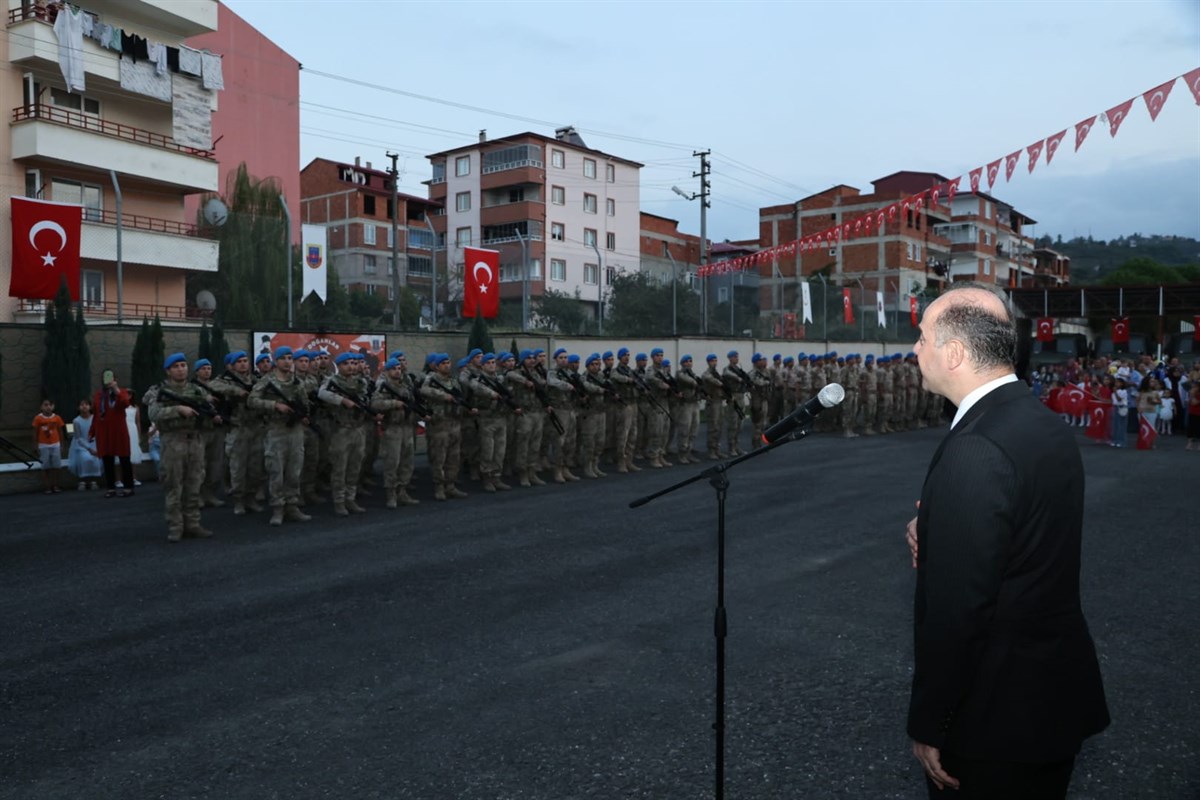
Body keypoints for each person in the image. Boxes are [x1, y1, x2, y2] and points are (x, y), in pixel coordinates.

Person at [905, 284, 1108, 798]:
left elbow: (960, 610)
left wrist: (931, 720)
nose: (914, 349)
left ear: (953, 353)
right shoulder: (1038, 421)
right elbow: (1028, 534)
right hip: (1048, 695)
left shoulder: (977, 445)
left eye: (922, 337)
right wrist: (940, 529)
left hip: (995, 720)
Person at [146, 353, 213, 542]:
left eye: (183, 365)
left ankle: (193, 523)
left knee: (194, 484)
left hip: (195, 440)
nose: (181, 369)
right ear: (168, 371)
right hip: (173, 441)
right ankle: (176, 526)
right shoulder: (159, 391)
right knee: (174, 485)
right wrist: (177, 410)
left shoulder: (196, 390)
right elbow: (153, 413)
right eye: (176, 366)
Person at [247, 346, 313, 527]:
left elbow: (304, 402)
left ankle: (292, 506)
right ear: (276, 360)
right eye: (283, 358)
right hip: (276, 430)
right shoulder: (267, 381)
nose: (287, 361)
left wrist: (304, 414)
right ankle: (277, 508)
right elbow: (251, 401)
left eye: (290, 358)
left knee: (294, 470)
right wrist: (274, 405)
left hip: (295, 430)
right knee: (276, 471)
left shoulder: (296, 381)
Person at [90, 369, 134, 497]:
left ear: (115, 379)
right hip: (104, 431)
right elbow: (96, 414)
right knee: (107, 460)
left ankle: (128, 487)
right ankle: (111, 488)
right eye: (106, 377)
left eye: (111, 377)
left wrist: (116, 390)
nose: (108, 380)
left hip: (119, 431)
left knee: (124, 459)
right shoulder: (98, 395)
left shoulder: (122, 392)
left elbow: (125, 403)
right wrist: (92, 431)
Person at [32, 399, 66, 494]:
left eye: (50, 405)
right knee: (45, 466)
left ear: (53, 406)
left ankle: (55, 485)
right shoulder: (38, 418)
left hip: (55, 444)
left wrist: (62, 444)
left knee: (56, 466)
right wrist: (35, 445)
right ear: (41, 407)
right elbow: (35, 432)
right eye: (45, 405)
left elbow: (60, 431)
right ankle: (47, 486)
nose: (48, 407)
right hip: (43, 445)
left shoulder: (57, 418)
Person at [68, 399, 103, 490]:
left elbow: (98, 433)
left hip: (95, 443)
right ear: (78, 407)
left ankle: (93, 481)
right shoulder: (76, 421)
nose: (84, 406)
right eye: (81, 404)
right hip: (81, 445)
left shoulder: (95, 418)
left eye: (86, 404)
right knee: (84, 458)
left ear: (90, 406)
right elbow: (78, 438)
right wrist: (88, 448)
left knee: (96, 459)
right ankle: (82, 480)